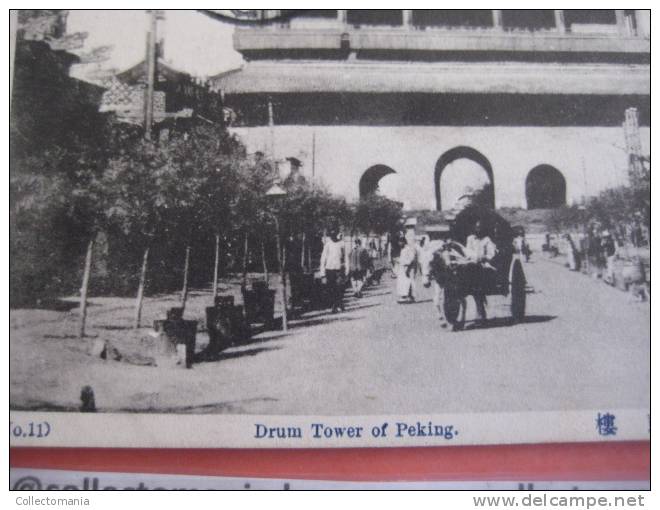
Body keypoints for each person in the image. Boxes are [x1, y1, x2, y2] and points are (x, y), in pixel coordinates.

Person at [465, 220, 497, 324]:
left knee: (479, 277)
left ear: (483, 229)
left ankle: (480, 312)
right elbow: (467, 252)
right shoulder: (470, 239)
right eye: (476, 227)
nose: (478, 230)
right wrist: (471, 258)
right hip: (471, 264)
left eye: (480, 228)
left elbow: (491, 254)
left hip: (484, 265)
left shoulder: (487, 240)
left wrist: (483, 257)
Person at [320, 231, 345, 313]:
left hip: (338, 269)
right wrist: (322, 273)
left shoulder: (341, 244)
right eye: (331, 235)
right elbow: (323, 259)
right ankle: (336, 304)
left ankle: (339, 303)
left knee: (340, 287)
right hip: (329, 270)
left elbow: (345, 258)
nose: (333, 237)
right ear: (330, 236)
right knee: (331, 288)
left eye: (334, 235)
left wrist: (347, 268)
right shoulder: (327, 245)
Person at [397, 237, 418, 303]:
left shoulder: (409, 249)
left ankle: (410, 297)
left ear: (403, 242)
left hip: (409, 268)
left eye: (400, 242)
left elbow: (411, 259)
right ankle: (405, 296)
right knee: (404, 282)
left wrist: (406, 265)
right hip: (403, 268)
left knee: (409, 282)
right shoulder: (403, 249)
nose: (399, 243)